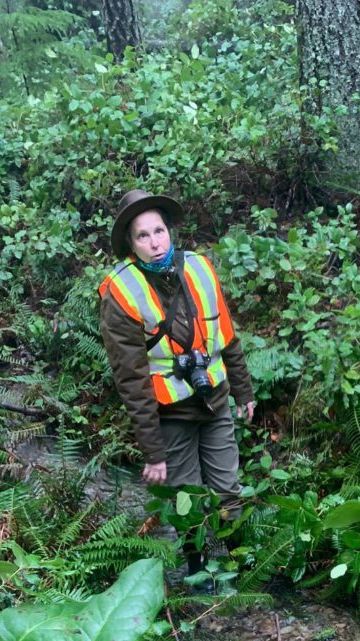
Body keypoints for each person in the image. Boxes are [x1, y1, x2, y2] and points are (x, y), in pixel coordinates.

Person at [98, 189, 255, 578]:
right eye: (143, 236)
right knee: (187, 500)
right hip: (170, 413)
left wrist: (243, 390)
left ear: (170, 232)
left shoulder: (200, 268)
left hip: (214, 400)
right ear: (131, 245)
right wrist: (153, 453)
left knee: (227, 489)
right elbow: (131, 380)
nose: (155, 243)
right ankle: (198, 570)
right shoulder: (121, 292)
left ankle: (237, 561)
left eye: (159, 231)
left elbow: (227, 335)